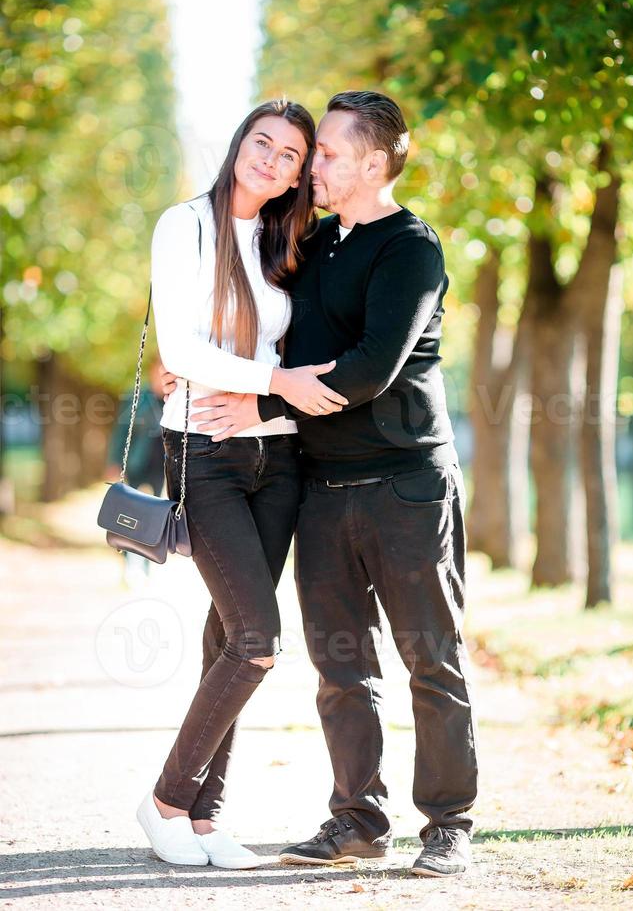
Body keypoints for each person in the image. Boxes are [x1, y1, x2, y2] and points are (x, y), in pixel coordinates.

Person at [166, 91, 479, 877]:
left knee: (429, 657)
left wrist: (259, 396)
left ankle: (448, 824)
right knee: (343, 668)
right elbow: (270, 327)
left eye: (328, 155)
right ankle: (358, 819)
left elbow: (371, 369)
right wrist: (200, 361)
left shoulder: (411, 248)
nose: (314, 169)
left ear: (374, 163)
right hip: (322, 487)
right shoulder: (314, 243)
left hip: (406, 484)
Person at [136, 98, 346, 871]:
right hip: (205, 450)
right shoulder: (184, 225)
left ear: (300, 173)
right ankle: (165, 800)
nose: (272, 159)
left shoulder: (284, 241)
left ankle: (203, 819)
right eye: (263, 142)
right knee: (257, 639)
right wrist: (273, 379)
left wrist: (272, 398)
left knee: (229, 636)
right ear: (238, 145)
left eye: (291, 154)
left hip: (279, 457)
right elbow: (182, 347)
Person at [105, 356, 166, 589]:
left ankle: (147, 565)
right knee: (131, 515)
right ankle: (129, 562)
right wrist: (114, 462)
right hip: (136, 464)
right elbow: (121, 431)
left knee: (156, 517)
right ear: (151, 372)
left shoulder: (175, 399)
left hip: (161, 467)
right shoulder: (137, 397)